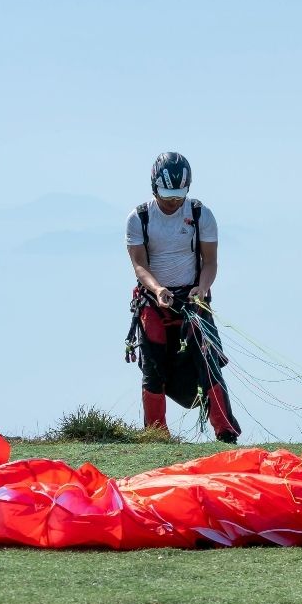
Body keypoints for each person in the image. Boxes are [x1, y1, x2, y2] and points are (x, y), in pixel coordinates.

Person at [125, 152, 242, 443]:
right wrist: (158, 290)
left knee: (208, 361)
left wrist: (202, 288)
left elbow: (210, 261)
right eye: (167, 196)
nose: (173, 202)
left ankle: (225, 431)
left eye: (178, 196)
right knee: (154, 367)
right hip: (154, 302)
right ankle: (156, 435)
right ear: (154, 187)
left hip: (193, 300)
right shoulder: (138, 218)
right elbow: (139, 265)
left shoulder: (201, 215)